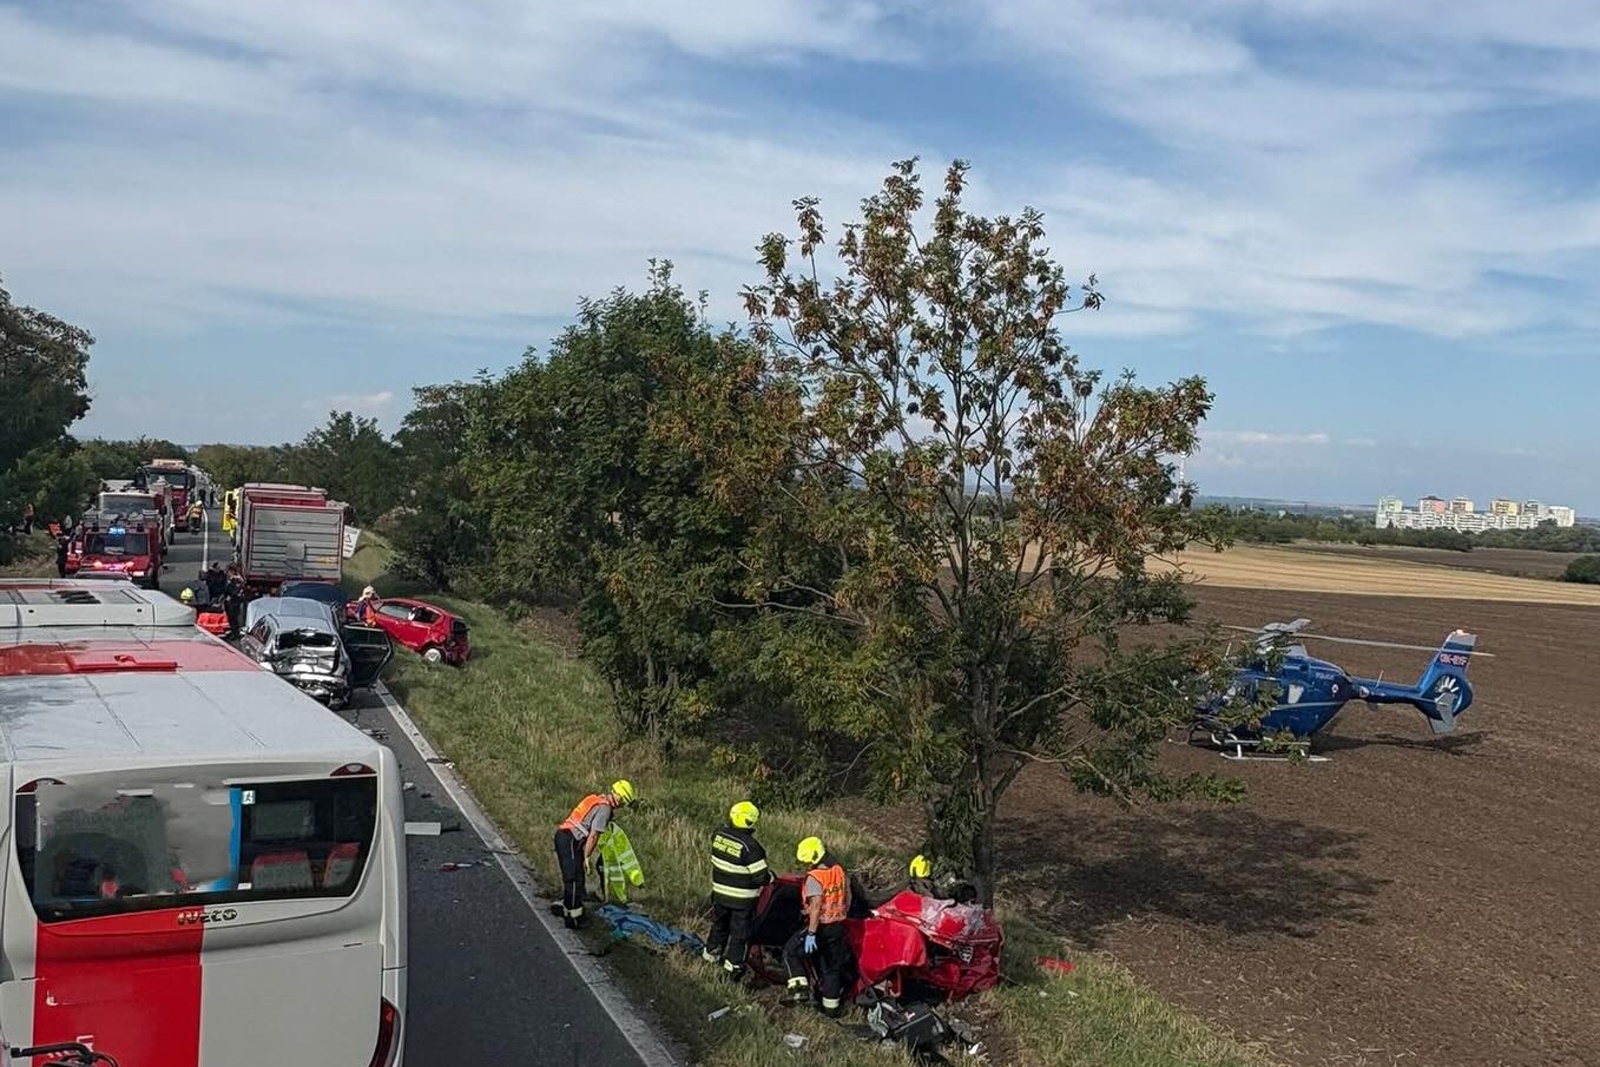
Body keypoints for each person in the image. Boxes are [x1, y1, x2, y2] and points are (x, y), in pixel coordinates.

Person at [783, 836, 854, 1016]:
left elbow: (816, 906)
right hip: (838, 926)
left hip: (820, 926)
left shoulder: (815, 878)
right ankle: (831, 1009)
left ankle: (799, 992)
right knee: (831, 968)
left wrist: (811, 932)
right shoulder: (838, 870)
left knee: (790, 952)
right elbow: (847, 894)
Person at [703, 801, 772, 983]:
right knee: (739, 936)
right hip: (742, 901)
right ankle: (732, 970)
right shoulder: (751, 847)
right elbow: (760, 877)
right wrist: (771, 877)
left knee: (719, 926)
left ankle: (710, 957)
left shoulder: (718, 835)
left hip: (719, 894)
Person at [552, 780, 636, 928]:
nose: (622, 806)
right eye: (624, 803)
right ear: (620, 798)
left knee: (578, 877)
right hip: (570, 839)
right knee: (574, 879)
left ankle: (568, 907)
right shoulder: (605, 809)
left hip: (566, 836)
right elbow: (594, 835)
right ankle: (573, 919)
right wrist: (586, 857)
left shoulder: (595, 798)